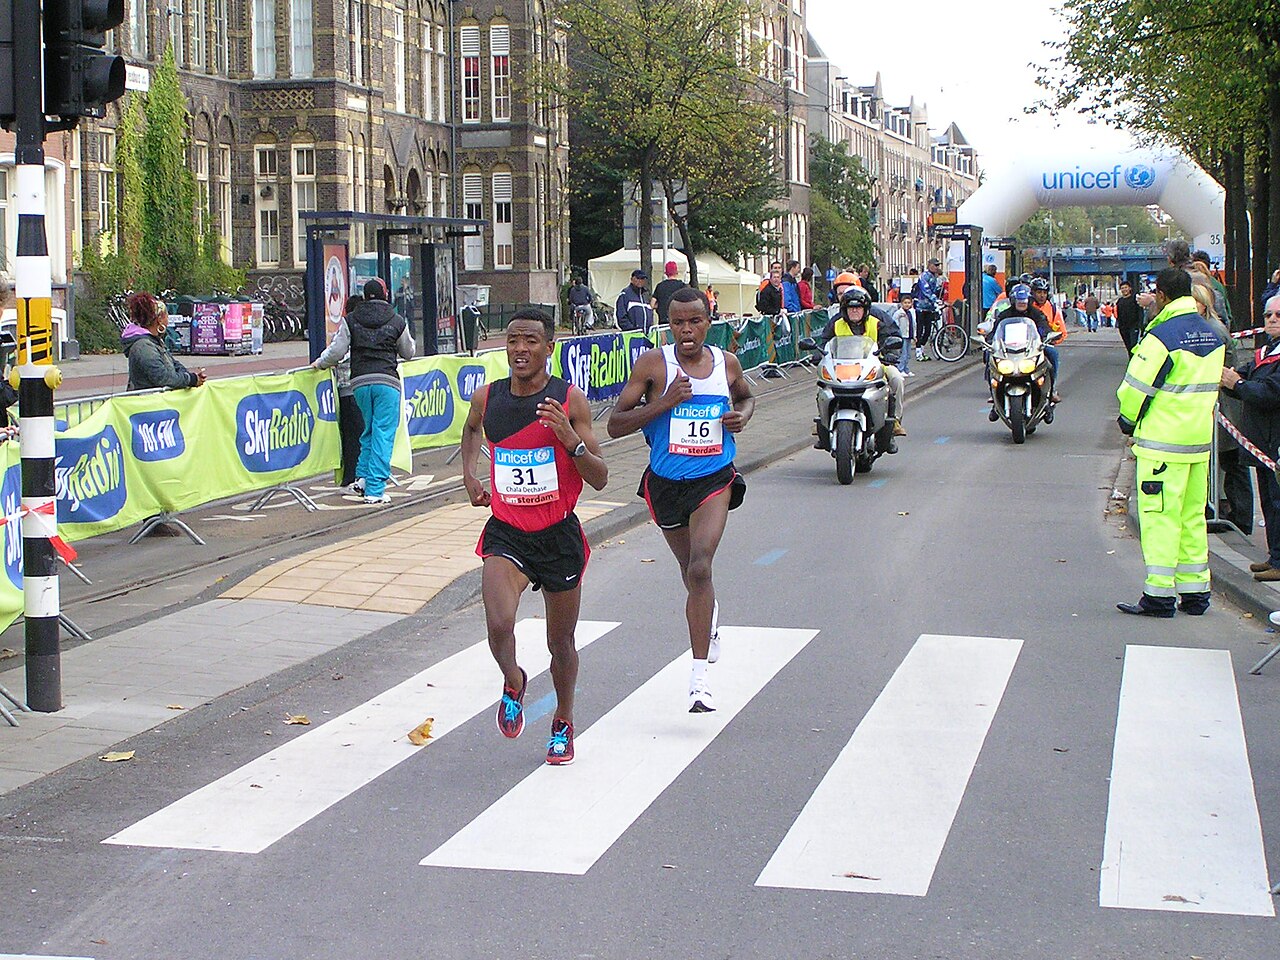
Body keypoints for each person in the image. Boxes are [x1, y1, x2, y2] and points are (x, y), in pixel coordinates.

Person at [461, 308, 609, 765]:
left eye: (530, 340)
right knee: (499, 623)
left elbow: (601, 477)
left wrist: (570, 439)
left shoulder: (570, 401)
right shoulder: (488, 398)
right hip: (508, 532)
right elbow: (470, 432)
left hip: (558, 534)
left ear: (549, 348)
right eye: (512, 340)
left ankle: (563, 720)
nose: (520, 349)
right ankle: (513, 679)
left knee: (559, 643)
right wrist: (470, 474)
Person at [608, 288, 753, 713]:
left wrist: (741, 417)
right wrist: (665, 402)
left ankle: (699, 679)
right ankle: (709, 611)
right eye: (678, 323)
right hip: (666, 484)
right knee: (691, 575)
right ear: (667, 324)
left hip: (713, 480)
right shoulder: (654, 365)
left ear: (709, 321)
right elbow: (616, 424)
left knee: (701, 565)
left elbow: (745, 396)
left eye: (694, 322)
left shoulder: (726, 363)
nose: (686, 331)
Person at [1116, 267, 1225, 617]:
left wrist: (1128, 421)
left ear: (1162, 295)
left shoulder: (1160, 336)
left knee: (1160, 517)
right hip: (1198, 444)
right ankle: (1196, 594)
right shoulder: (1212, 335)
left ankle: (1159, 597)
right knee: (1192, 517)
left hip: (1163, 444)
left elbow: (1134, 389)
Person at [312, 277, 415, 504]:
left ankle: (362, 479)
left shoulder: (351, 319)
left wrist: (319, 363)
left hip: (358, 382)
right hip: (387, 381)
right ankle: (375, 490)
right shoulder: (396, 320)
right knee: (383, 434)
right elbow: (408, 351)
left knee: (367, 431)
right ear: (385, 294)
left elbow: (336, 351)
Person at [1221, 296, 1280, 578]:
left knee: (1278, 501)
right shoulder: (1265, 350)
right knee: (1268, 501)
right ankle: (1274, 556)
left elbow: (1269, 393)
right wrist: (1233, 381)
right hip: (1262, 441)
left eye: (1278, 315)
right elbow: (1244, 378)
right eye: (1268, 314)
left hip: (1275, 439)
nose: (1272, 319)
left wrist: (1238, 384)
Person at [1190, 282, 1252, 535]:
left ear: (1202, 304)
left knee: (1233, 461)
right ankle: (1235, 515)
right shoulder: (1210, 327)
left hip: (1224, 406)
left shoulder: (1211, 330)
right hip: (1222, 405)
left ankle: (1240, 518)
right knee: (1229, 461)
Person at [820, 286, 907, 447]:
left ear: (865, 308)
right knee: (821, 384)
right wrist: (818, 354)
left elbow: (893, 337)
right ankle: (823, 421)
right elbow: (824, 340)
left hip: (876, 365)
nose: (854, 311)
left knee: (896, 379)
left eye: (858, 308)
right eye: (850, 308)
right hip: (843, 368)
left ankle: (894, 422)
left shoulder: (878, 320)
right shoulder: (836, 323)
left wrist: (891, 354)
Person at [121, 293, 207, 391]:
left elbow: (174, 364)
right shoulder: (143, 346)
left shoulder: (153, 341)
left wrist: (190, 377)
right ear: (159, 319)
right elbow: (162, 378)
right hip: (148, 401)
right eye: (167, 316)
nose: (168, 320)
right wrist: (190, 379)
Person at [913, 260, 943, 359]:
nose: (937, 267)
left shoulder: (935, 277)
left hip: (930, 307)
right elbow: (926, 289)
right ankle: (918, 352)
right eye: (935, 265)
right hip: (920, 306)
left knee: (928, 330)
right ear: (929, 265)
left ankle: (921, 350)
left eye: (938, 265)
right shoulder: (924, 276)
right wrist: (935, 299)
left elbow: (935, 290)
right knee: (920, 329)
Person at [651, 261, 687, 325]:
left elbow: (652, 304)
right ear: (676, 272)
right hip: (678, 321)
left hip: (663, 321)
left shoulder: (660, 286)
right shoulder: (682, 286)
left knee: (663, 335)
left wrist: (661, 305)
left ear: (666, 273)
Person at [893, 292, 918, 377]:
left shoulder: (910, 313)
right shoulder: (898, 313)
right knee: (903, 353)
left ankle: (906, 369)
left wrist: (914, 335)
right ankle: (900, 369)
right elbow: (895, 324)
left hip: (909, 335)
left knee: (908, 354)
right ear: (901, 303)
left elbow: (913, 325)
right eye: (905, 303)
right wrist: (897, 334)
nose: (907, 305)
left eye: (909, 303)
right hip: (902, 335)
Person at [1116, 279, 1142, 352]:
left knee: (1134, 346)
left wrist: (1140, 325)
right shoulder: (1120, 301)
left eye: (1126, 287)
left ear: (1130, 288)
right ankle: (1131, 361)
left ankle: (1135, 361)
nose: (1124, 289)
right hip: (1123, 328)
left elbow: (1140, 312)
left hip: (1134, 326)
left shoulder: (1135, 299)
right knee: (1128, 347)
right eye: (1122, 288)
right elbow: (1119, 314)